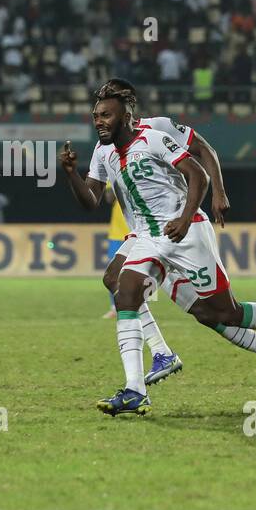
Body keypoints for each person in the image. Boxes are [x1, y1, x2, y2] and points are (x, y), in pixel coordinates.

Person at [59, 88, 256, 416]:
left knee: (222, 312)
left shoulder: (155, 135)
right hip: (146, 237)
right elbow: (90, 202)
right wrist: (70, 173)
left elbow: (197, 169)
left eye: (106, 114)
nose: (99, 121)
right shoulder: (103, 153)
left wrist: (190, 214)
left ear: (126, 115)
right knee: (122, 289)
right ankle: (135, 388)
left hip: (185, 233)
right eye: (96, 115)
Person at [93, 77, 230, 384]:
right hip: (141, 229)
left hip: (172, 225)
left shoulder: (159, 128)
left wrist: (219, 193)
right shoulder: (107, 144)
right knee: (114, 281)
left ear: (128, 103)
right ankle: (161, 354)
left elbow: (203, 150)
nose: (103, 108)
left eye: (112, 98)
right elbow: (94, 192)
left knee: (215, 310)